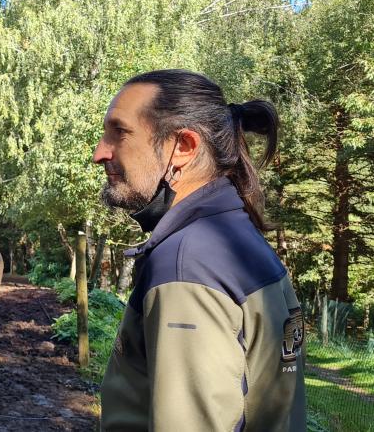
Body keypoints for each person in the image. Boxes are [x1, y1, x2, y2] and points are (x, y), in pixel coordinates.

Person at [93, 70, 306, 431]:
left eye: (120, 133)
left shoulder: (185, 264)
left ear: (183, 148)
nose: (100, 153)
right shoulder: (237, 241)